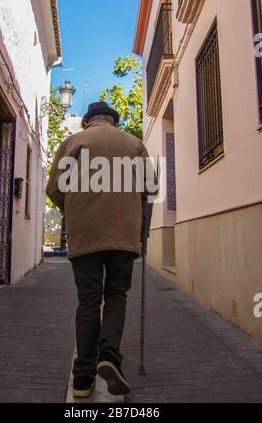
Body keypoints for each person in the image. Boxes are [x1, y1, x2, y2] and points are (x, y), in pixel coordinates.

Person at [46, 102, 156, 398]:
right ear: (114, 121)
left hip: (85, 236)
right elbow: (150, 191)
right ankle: (109, 356)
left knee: (88, 302)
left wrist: (73, 207)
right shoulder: (134, 143)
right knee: (117, 295)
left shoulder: (73, 142)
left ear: (87, 122)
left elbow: (54, 189)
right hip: (124, 234)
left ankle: (82, 380)